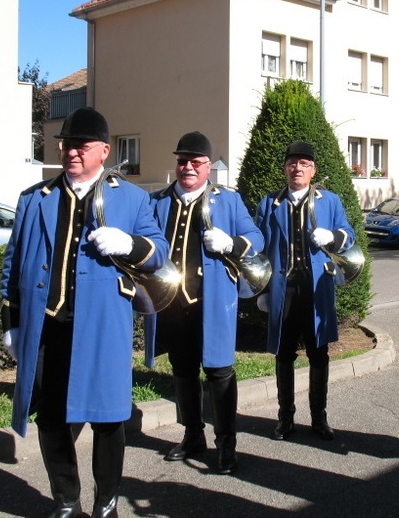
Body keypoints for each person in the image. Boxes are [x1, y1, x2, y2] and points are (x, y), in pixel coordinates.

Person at [0, 107, 169, 518]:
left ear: (104, 151)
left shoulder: (131, 198)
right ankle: (66, 499)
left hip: (103, 327)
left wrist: (129, 243)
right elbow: (12, 264)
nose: (71, 152)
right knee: (51, 418)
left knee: (109, 419)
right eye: (66, 144)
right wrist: (13, 325)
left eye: (81, 145)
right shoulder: (33, 199)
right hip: (48, 326)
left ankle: (107, 501)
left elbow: (159, 251)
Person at [143, 132, 264, 474]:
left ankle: (226, 443)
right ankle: (192, 434)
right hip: (171, 304)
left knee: (219, 372)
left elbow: (257, 237)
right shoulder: (157, 201)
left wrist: (232, 242)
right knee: (182, 372)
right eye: (182, 161)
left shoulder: (227, 201)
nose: (188, 168)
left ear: (208, 167)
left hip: (212, 303)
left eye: (195, 162)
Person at [255, 141, 355, 441]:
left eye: (303, 164)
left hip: (316, 290)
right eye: (292, 163)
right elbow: (259, 247)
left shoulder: (330, 201)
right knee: (283, 355)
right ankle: (285, 418)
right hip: (283, 290)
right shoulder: (269, 203)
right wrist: (262, 289)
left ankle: (319, 418)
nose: (297, 168)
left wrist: (334, 236)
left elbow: (349, 236)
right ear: (285, 168)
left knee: (319, 354)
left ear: (313, 170)